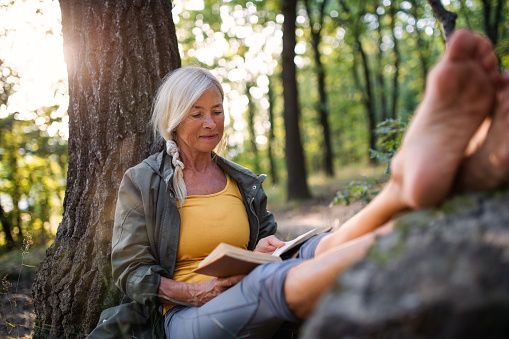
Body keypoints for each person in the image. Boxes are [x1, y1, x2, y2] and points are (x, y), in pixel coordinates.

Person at [92, 29, 509, 338]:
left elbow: (263, 245)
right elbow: (130, 271)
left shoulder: (240, 180)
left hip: (242, 286)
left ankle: (406, 187)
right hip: (181, 320)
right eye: (197, 112)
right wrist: (190, 293)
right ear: (174, 118)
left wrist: (260, 248)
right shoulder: (144, 181)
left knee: (310, 248)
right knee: (270, 283)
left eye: (217, 111)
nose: (210, 122)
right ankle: (427, 211)